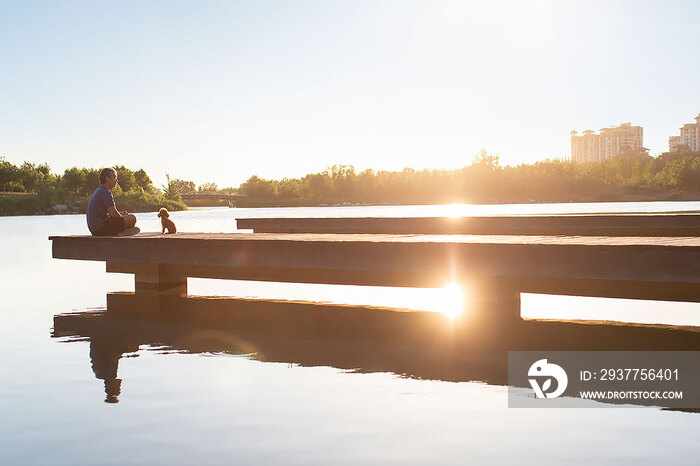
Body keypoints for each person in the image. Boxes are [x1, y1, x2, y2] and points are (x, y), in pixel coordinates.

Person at [86, 167, 138, 236]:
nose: (117, 180)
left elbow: (110, 214)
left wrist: (121, 214)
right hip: (101, 229)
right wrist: (123, 218)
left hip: (95, 230)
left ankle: (120, 230)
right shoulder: (105, 192)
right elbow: (113, 214)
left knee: (125, 217)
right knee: (132, 218)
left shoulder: (99, 190)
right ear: (107, 178)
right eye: (114, 177)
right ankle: (121, 232)